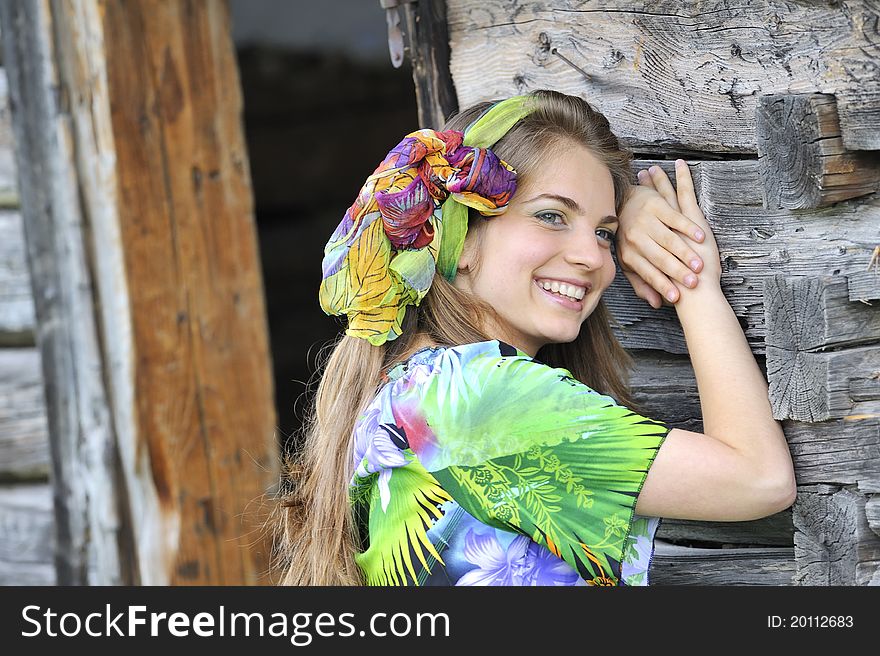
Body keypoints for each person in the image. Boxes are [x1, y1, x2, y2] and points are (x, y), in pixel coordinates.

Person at [274, 89, 797, 586]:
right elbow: (758, 477)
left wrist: (624, 199)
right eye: (550, 216)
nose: (594, 258)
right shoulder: (478, 397)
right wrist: (692, 278)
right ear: (459, 236)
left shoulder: (411, 385)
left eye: (604, 234)